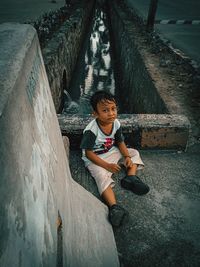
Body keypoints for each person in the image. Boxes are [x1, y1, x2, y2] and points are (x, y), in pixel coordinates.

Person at [80, 90, 149, 227]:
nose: (111, 113)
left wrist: (127, 156)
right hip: (95, 158)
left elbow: (120, 142)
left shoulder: (115, 123)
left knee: (134, 152)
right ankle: (114, 207)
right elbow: (88, 153)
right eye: (105, 110)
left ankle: (131, 177)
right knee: (101, 177)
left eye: (113, 109)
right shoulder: (92, 130)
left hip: (111, 151)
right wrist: (107, 166)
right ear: (95, 113)